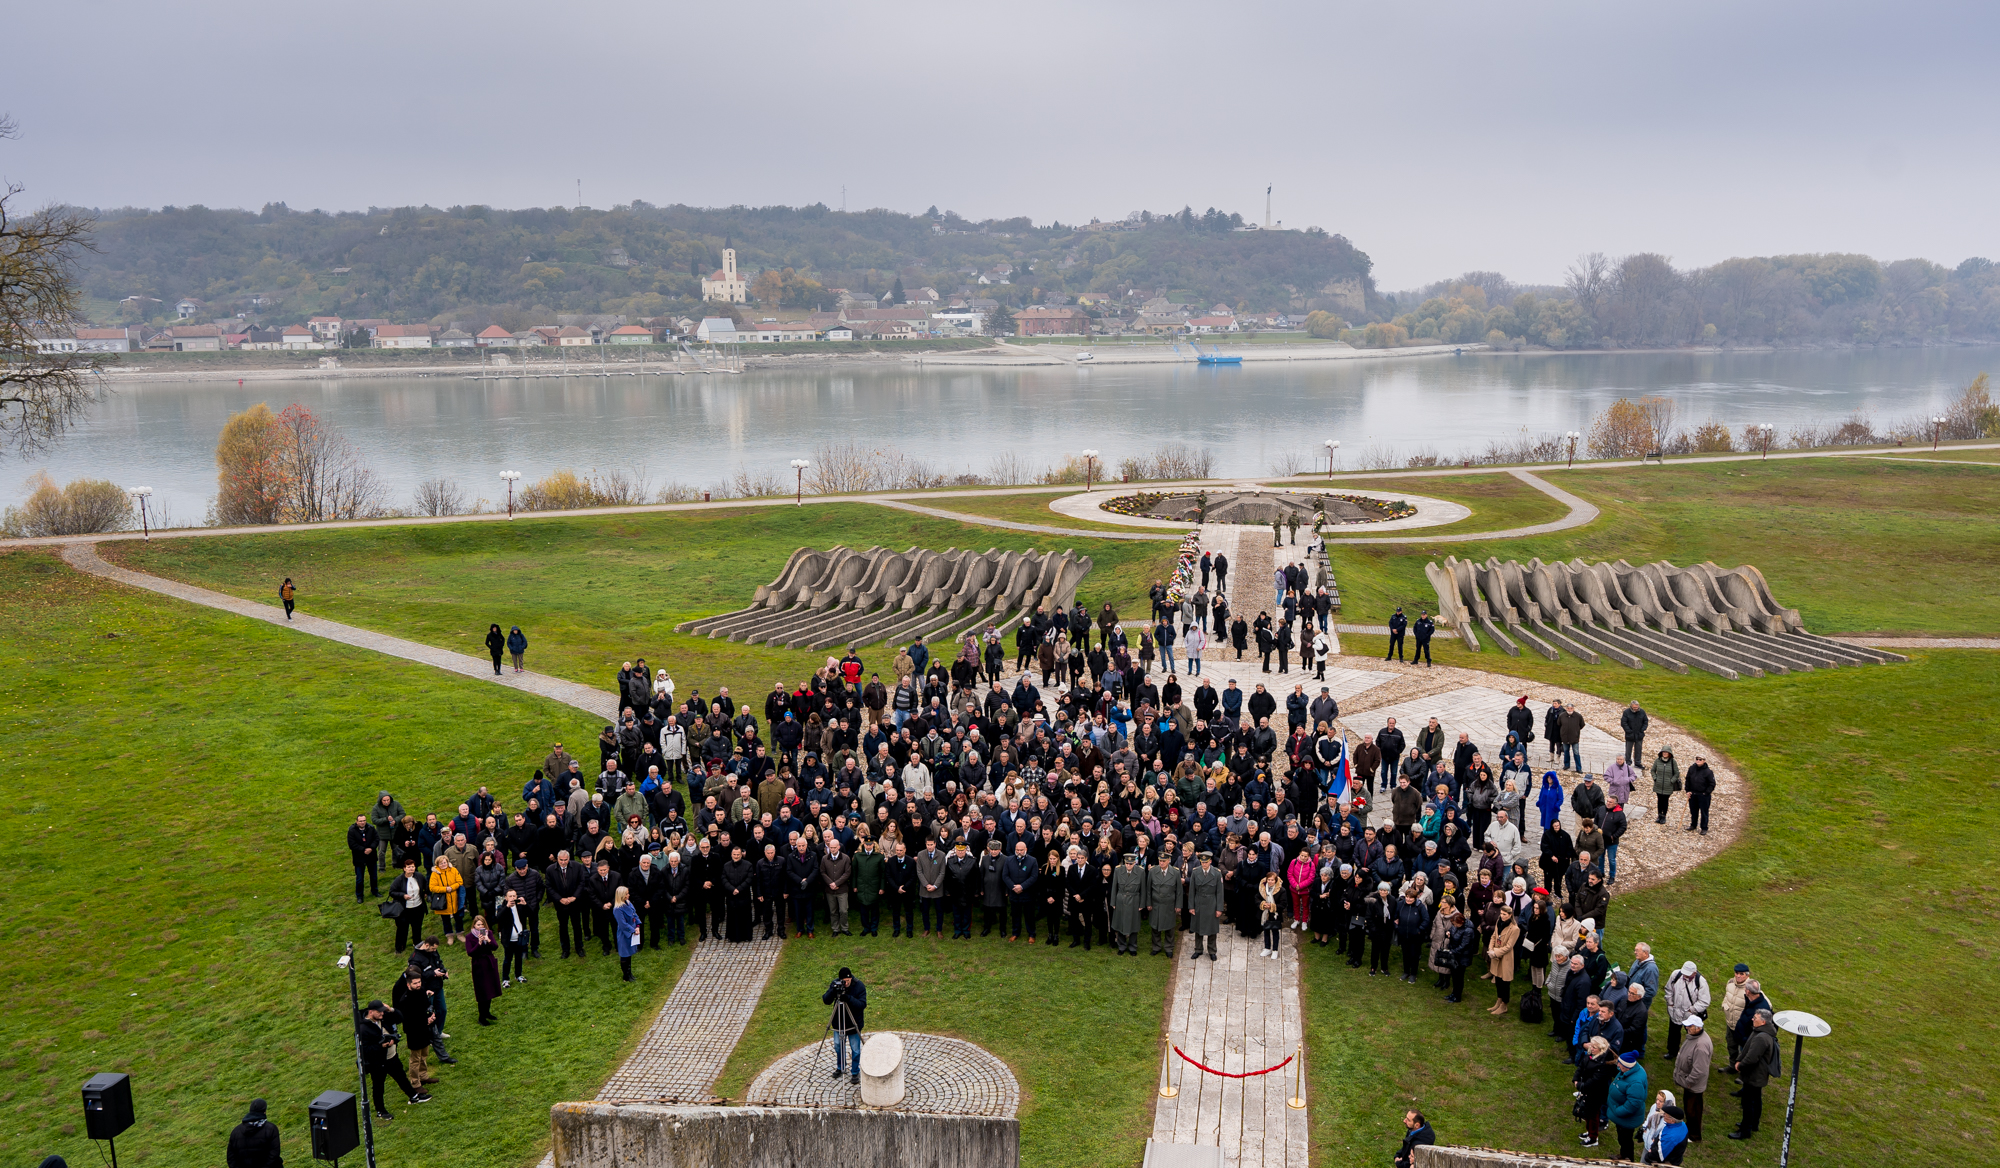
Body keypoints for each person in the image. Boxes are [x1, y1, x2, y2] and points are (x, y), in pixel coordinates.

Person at [355, 999, 430, 1118]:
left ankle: (414, 1097)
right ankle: (380, 1111)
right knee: (378, 1087)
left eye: (383, 1011)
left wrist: (391, 1010)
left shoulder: (383, 1018)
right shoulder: (363, 1029)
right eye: (379, 1012)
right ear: (370, 1012)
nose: (382, 1014)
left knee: (401, 1078)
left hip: (392, 1056)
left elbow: (400, 1018)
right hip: (378, 1062)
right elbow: (364, 1050)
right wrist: (381, 1046)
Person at [1729, 1009, 1779, 1141]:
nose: (1752, 1019)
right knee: (1756, 1099)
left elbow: (1752, 1057)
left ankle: (1745, 1130)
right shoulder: (1762, 1032)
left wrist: (1740, 1065)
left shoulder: (1762, 1037)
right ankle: (1753, 1124)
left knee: (1748, 1102)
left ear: (1763, 1021)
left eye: (1755, 1018)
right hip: (1758, 1074)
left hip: (1754, 1075)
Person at [822, 967, 868, 1085]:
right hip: (839, 1023)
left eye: (848, 980)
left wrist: (848, 998)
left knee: (856, 1049)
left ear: (851, 978)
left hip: (853, 1024)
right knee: (838, 1046)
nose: (846, 983)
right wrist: (833, 991)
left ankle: (855, 1072)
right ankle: (840, 1067)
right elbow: (826, 1000)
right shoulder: (835, 984)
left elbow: (862, 1004)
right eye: (844, 981)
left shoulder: (859, 986)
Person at [1672, 1017, 1712, 1144]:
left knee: (1692, 1110)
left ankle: (1694, 1136)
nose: (1687, 1028)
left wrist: (1688, 1082)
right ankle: (1690, 1131)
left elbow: (1699, 1070)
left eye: (1690, 1026)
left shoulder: (1701, 1046)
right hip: (1690, 1084)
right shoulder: (1694, 1037)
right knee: (1691, 1108)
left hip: (1693, 1085)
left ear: (1698, 1027)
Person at [1606, 1048, 1650, 1160]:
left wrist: (1617, 1111)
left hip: (1626, 1117)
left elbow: (1633, 1103)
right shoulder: (1628, 1071)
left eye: (1620, 1064)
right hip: (1621, 1115)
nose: (1618, 1066)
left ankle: (1628, 1159)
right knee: (1622, 1138)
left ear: (1627, 1066)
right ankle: (1623, 1155)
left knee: (1625, 1139)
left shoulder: (1636, 1082)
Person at [465, 915, 502, 1023]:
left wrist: (488, 940)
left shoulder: (488, 933)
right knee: (482, 991)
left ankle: (487, 1012)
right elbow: (470, 952)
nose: (480, 926)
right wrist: (479, 943)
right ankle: (481, 1016)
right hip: (479, 965)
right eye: (478, 924)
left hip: (489, 964)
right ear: (474, 925)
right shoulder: (469, 937)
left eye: (482, 924)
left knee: (490, 989)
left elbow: (495, 947)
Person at [1187, 851, 1223, 961]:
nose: (1204, 864)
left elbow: (1220, 892)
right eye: (1202, 862)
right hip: (1199, 902)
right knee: (1198, 927)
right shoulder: (1195, 872)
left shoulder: (1217, 873)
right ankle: (1198, 949)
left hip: (1211, 903)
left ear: (1210, 862)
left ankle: (1212, 950)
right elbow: (1192, 890)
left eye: (1206, 862)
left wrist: (1219, 908)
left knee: (1212, 929)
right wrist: (1191, 906)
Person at [225, 1098, 281, 1168]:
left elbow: (231, 1157)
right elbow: (274, 1154)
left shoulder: (236, 1131)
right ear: (264, 1111)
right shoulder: (271, 1129)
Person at [613, 885, 643, 981]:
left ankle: (629, 973)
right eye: (626, 894)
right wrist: (633, 930)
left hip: (632, 932)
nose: (628, 895)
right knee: (624, 954)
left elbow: (635, 914)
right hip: (625, 934)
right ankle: (625, 975)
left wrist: (638, 926)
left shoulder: (628, 903)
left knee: (629, 954)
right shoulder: (618, 909)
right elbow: (623, 924)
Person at [349, 814, 381, 902]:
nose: (363, 822)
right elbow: (352, 844)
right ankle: (359, 896)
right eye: (360, 821)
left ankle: (375, 891)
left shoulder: (371, 828)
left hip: (371, 857)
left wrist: (371, 848)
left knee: (374, 876)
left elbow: (376, 839)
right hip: (359, 858)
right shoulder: (352, 831)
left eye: (364, 820)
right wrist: (363, 850)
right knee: (359, 879)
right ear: (357, 822)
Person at [1683, 755, 1716, 834]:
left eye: (1700, 759)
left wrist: (1706, 793)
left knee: (1704, 812)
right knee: (1693, 811)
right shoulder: (1691, 769)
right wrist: (1688, 790)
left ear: (1704, 760)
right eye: (1697, 759)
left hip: (1703, 795)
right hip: (1693, 794)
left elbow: (1712, 784)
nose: (1698, 760)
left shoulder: (1708, 772)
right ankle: (1693, 825)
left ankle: (1704, 828)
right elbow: (1687, 780)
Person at [1257, 868, 1285, 958]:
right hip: (1265, 913)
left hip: (1275, 914)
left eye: (1272, 880)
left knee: (1275, 932)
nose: (1270, 881)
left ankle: (1275, 950)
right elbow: (1256, 898)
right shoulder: (1262, 888)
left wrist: (1272, 906)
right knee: (1266, 930)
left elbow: (1283, 903)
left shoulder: (1281, 890)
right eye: (1269, 879)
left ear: (1275, 880)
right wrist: (1263, 904)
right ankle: (1267, 948)